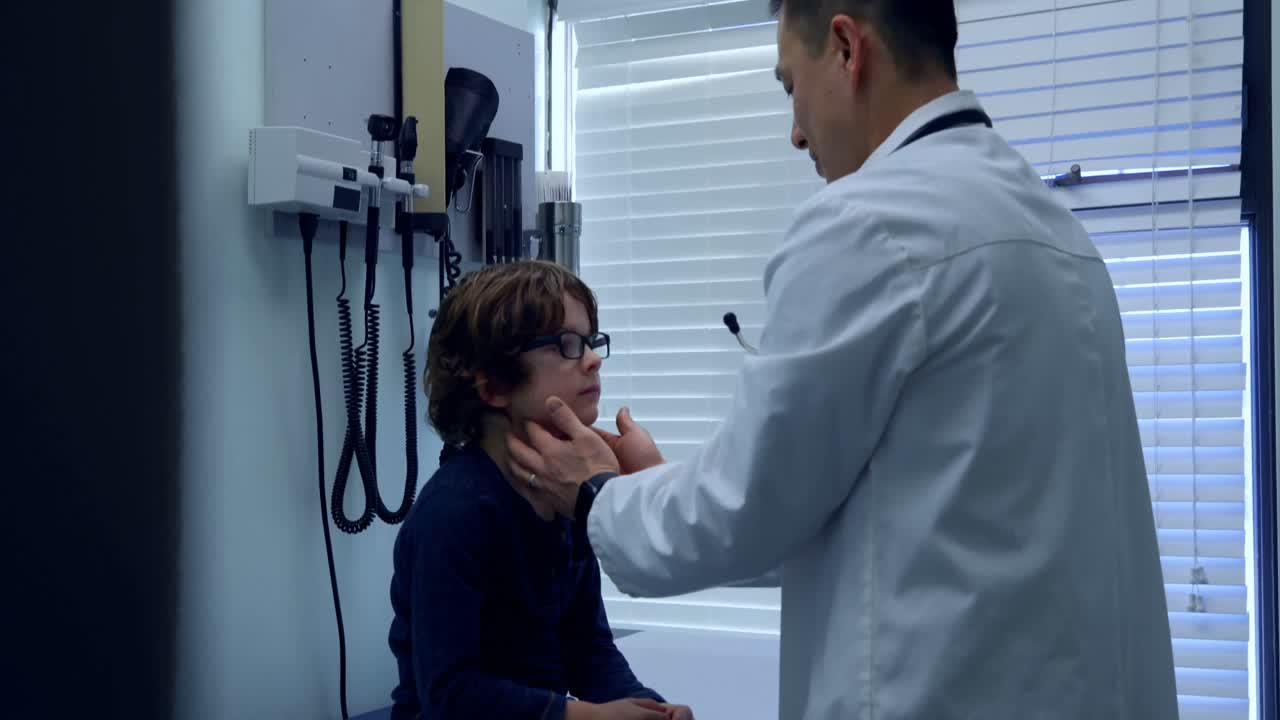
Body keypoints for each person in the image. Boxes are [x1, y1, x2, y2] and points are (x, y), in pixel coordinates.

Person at [504, 1, 1179, 718]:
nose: (796, 132)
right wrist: (653, 488)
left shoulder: (869, 224)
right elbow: (835, 510)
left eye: (791, 86)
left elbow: (746, 509)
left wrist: (599, 494)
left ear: (847, 47)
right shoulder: (1055, 230)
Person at [386, 261, 693, 720]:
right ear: (494, 385)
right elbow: (451, 693)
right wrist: (586, 717)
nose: (593, 359)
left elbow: (588, 648)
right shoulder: (455, 513)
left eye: (591, 341)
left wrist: (651, 707)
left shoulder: (567, 499)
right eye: (567, 344)